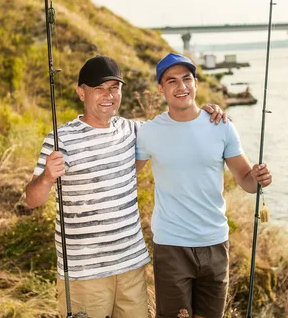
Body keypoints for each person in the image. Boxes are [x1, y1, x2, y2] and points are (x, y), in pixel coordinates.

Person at [25, 55, 227, 318]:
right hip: (84, 273)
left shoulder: (134, 131)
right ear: (81, 92)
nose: (108, 95)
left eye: (114, 88)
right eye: (99, 88)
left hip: (131, 267)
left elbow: (176, 125)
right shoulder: (59, 138)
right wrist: (47, 177)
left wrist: (206, 112)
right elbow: (32, 200)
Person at [135, 53, 273, 318]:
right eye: (172, 81)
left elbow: (246, 180)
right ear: (161, 89)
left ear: (196, 83)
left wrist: (260, 178)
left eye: (187, 79)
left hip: (215, 242)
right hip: (171, 245)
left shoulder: (221, 126)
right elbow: (125, 173)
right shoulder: (149, 131)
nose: (181, 86)